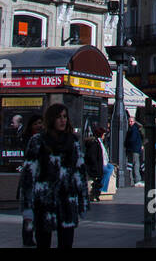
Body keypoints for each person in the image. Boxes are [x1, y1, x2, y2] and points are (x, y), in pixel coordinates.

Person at [18, 103, 89, 248]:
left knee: (66, 242)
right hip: (44, 201)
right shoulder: (38, 141)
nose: (63, 120)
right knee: (43, 242)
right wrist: (27, 207)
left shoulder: (73, 141)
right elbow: (28, 175)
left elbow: (80, 173)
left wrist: (83, 201)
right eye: (58, 117)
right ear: (51, 119)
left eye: (64, 117)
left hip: (67, 201)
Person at [84, 126, 106, 202]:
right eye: (103, 134)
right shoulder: (94, 143)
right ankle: (95, 195)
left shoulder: (96, 142)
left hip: (97, 166)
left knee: (98, 181)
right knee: (97, 181)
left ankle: (95, 194)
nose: (104, 136)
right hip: (95, 167)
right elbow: (92, 156)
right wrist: (95, 167)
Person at [124, 115, 144, 186]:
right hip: (135, 149)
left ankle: (137, 179)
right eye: (129, 121)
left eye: (131, 121)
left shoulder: (133, 129)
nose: (130, 123)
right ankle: (137, 179)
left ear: (134, 122)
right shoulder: (135, 128)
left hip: (134, 149)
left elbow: (132, 139)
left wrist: (127, 144)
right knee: (135, 164)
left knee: (135, 164)